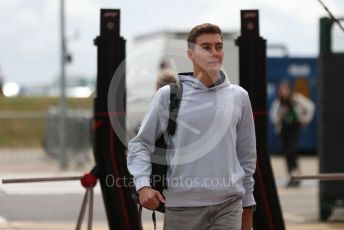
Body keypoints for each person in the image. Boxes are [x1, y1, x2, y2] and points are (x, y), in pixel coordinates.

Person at [127, 23, 257, 230]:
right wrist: (143, 185)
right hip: (181, 207)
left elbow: (247, 158)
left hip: (228, 205)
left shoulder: (239, 97)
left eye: (219, 46)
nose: (214, 53)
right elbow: (141, 144)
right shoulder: (168, 96)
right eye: (206, 47)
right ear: (191, 54)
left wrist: (248, 207)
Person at [270, 80, 315, 187]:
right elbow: (273, 118)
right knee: (287, 153)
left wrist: (305, 119)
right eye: (281, 89)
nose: (283, 91)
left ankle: (296, 175)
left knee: (291, 150)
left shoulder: (296, 99)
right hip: (284, 129)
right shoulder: (278, 102)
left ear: (289, 90)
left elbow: (310, 106)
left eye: (285, 89)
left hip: (294, 128)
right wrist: (280, 115)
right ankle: (292, 176)